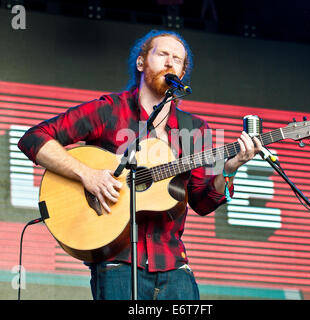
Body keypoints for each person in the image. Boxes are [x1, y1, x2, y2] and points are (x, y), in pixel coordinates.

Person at [18, 29, 262, 300]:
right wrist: (88, 175)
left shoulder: (194, 129)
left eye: (178, 60)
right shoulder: (109, 110)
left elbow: (202, 202)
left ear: (182, 75)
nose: (170, 62)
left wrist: (230, 169)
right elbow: (34, 139)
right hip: (117, 266)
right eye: (163, 54)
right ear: (141, 62)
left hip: (175, 268)